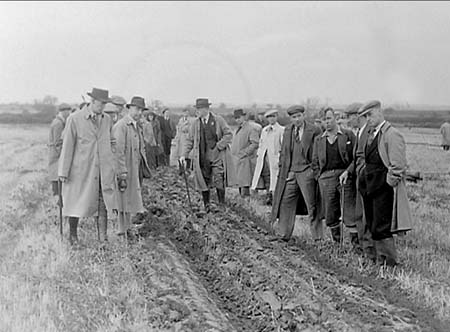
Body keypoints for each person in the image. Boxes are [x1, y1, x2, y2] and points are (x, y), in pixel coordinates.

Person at [58, 88, 118, 245]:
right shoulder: (75, 119)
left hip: (102, 170)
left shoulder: (106, 120)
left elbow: (112, 142)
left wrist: (111, 162)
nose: (103, 107)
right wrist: (63, 172)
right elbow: (67, 146)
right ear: (92, 102)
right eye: (101, 103)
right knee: (75, 202)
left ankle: (102, 239)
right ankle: (73, 237)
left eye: (105, 104)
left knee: (103, 202)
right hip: (81, 170)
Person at [357, 100, 413, 266]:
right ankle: (375, 259)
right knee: (372, 224)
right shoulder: (370, 134)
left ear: (380, 112)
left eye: (370, 114)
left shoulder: (391, 134)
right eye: (365, 116)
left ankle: (389, 263)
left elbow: (398, 165)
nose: (368, 119)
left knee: (382, 226)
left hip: (384, 188)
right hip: (370, 187)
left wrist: (389, 183)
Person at [271, 105, 323, 241]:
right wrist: (285, 170)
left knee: (313, 206)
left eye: (299, 116)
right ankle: (283, 235)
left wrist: (312, 171)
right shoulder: (288, 130)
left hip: (307, 172)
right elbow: (284, 153)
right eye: (294, 117)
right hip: (291, 173)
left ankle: (318, 239)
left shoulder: (314, 130)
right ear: (291, 119)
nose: (297, 119)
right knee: (285, 202)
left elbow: (318, 153)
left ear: (303, 115)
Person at [312, 108, 357, 244]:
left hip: (345, 176)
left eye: (329, 118)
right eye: (324, 120)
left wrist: (348, 171)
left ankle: (356, 246)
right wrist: (319, 177)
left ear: (335, 119)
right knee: (331, 213)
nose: (327, 122)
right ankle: (338, 244)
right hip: (326, 179)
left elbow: (356, 157)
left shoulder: (348, 135)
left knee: (349, 211)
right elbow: (314, 162)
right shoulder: (319, 140)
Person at [180, 98, 232, 212]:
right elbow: (189, 140)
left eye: (199, 109)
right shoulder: (195, 123)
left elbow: (228, 134)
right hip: (202, 156)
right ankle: (207, 205)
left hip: (217, 155)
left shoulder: (218, 120)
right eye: (196, 109)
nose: (197, 111)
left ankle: (221, 205)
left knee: (219, 178)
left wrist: (219, 146)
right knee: (203, 180)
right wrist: (183, 155)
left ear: (206, 109)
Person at [339, 103, 375, 258]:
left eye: (349, 117)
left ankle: (370, 252)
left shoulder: (369, 132)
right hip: (359, 178)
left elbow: (367, 158)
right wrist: (348, 171)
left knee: (367, 216)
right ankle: (363, 249)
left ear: (357, 116)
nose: (347, 121)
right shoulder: (359, 132)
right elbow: (357, 158)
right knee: (359, 215)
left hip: (367, 179)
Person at [112, 96, 151, 238]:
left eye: (141, 110)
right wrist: (122, 172)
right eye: (136, 109)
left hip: (135, 168)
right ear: (129, 108)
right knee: (123, 199)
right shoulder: (121, 126)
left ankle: (127, 228)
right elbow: (118, 152)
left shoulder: (136, 126)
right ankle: (122, 230)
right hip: (125, 168)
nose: (139, 112)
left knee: (130, 198)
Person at [251, 109, 285, 205]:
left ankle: (275, 198)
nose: (271, 119)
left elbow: (282, 145)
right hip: (264, 157)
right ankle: (268, 196)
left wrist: (280, 157)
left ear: (276, 117)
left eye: (273, 116)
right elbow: (261, 144)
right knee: (266, 176)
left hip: (275, 157)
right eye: (269, 117)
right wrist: (259, 154)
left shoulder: (281, 130)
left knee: (274, 178)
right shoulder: (264, 130)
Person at [230, 109, 260, 197]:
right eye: (236, 118)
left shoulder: (250, 128)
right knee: (240, 182)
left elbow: (255, 143)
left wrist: (244, 153)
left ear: (244, 117)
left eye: (239, 117)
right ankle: (242, 203)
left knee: (245, 182)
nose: (237, 120)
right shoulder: (237, 129)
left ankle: (247, 203)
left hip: (246, 160)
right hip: (237, 160)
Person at [48, 103, 72, 195]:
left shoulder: (57, 121)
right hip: (56, 154)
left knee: (55, 174)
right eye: (67, 111)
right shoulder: (58, 123)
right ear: (63, 112)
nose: (69, 113)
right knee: (56, 175)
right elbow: (57, 142)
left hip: (54, 152)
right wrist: (62, 154)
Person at [173, 107, 196, 173]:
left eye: (186, 112)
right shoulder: (181, 120)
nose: (185, 114)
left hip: (186, 138)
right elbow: (178, 129)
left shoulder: (191, 121)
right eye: (184, 112)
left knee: (187, 155)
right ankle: (181, 169)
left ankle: (188, 169)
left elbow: (190, 130)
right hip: (180, 139)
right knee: (179, 155)